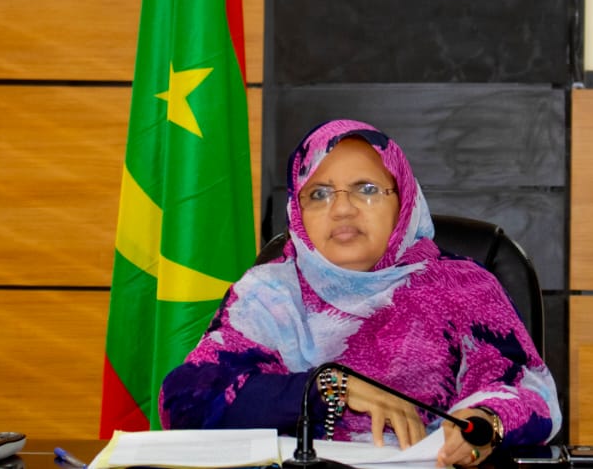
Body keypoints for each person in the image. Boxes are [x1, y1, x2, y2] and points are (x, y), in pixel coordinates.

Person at [160, 118, 562, 467]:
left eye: (366, 189)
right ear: (297, 211)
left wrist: (486, 424)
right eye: (319, 193)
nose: (342, 209)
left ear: (403, 201)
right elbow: (185, 400)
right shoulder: (268, 294)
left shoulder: (464, 286)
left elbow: (524, 390)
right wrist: (329, 387)